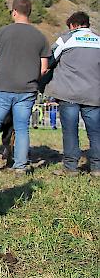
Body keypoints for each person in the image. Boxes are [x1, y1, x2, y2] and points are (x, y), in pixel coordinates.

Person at [0, 0, 50, 175]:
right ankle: (20, 166)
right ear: (29, 13)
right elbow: (44, 68)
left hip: (2, 87)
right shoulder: (40, 37)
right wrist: (32, 79)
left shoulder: (2, 32)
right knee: (22, 128)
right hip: (27, 90)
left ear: (14, 12)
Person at [46, 11, 100, 176]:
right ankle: (97, 168)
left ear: (74, 25)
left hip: (68, 93)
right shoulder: (99, 40)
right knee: (96, 131)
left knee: (70, 130)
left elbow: (48, 60)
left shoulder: (66, 39)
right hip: (93, 95)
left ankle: (71, 167)